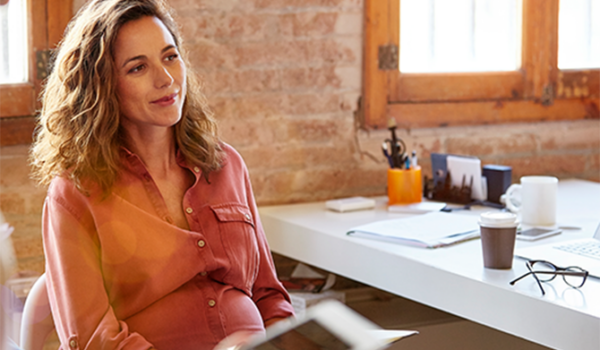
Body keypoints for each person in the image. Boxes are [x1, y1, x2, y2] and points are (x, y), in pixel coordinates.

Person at [29, 0, 294, 349]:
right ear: (103, 86)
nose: (165, 79)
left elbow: (269, 295)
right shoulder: (76, 192)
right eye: (138, 68)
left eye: (170, 57)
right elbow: (96, 337)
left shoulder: (227, 164)